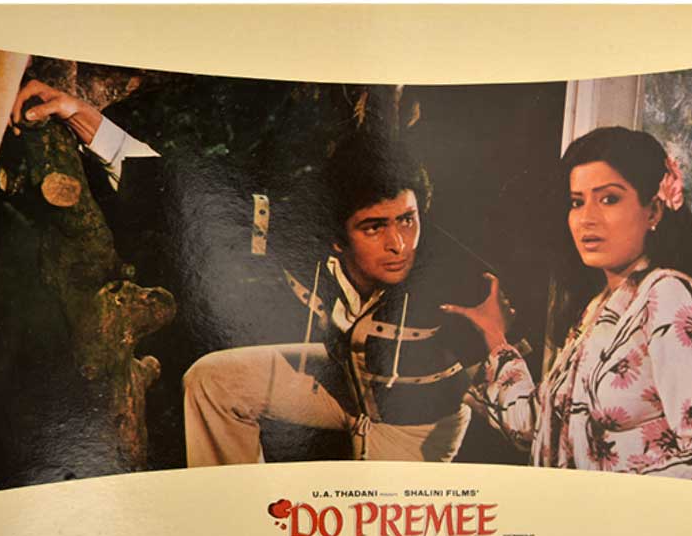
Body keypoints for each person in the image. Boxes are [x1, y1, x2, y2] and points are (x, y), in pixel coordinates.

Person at [444, 127, 692, 484]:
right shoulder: (596, 311)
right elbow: (536, 428)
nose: (587, 218)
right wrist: (496, 339)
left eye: (609, 199)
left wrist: (610, 504)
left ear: (653, 210)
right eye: (577, 202)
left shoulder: (670, 295)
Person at [182, 132, 486, 465]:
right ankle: (231, 497)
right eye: (374, 227)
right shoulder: (306, 241)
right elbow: (242, 211)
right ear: (337, 239)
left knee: (376, 500)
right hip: (343, 381)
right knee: (212, 380)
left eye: (406, 220)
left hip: (411, 426)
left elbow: (499, 365)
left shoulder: (452, 278)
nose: (398, 245)